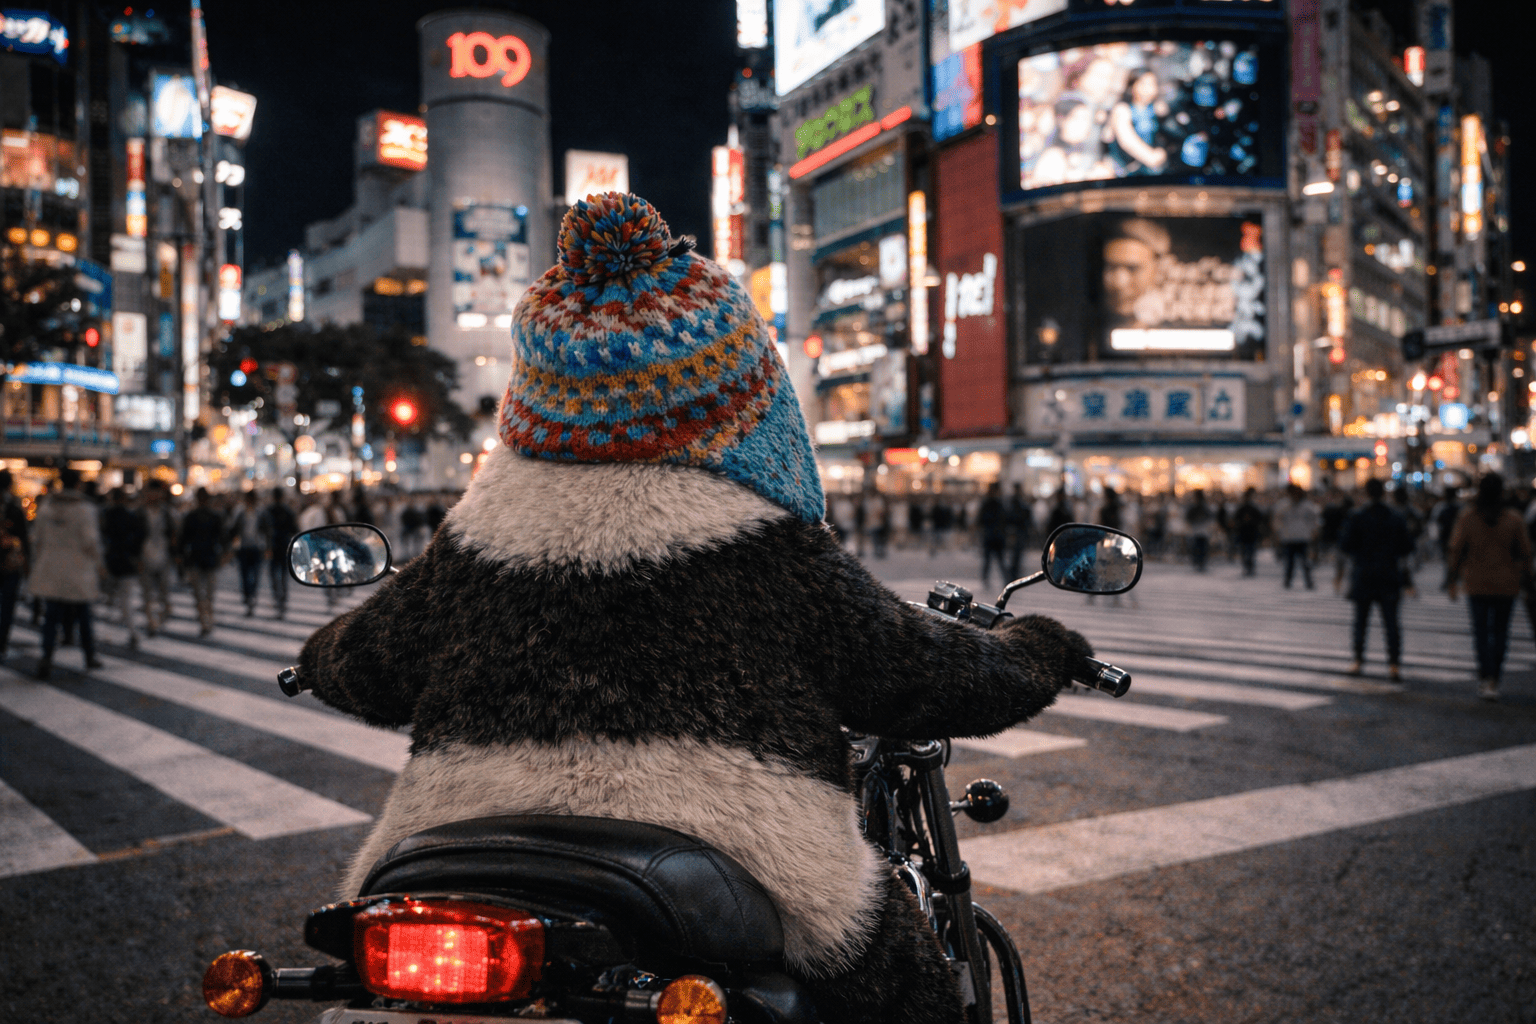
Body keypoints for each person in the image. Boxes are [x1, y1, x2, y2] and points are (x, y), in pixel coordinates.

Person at [294, 192, 1096, 1024]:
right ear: (745, 395)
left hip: (459, 847)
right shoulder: (767, 548)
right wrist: (1039, 650)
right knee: (913, 996)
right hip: (746, 857)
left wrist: (319, 655)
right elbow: (918, 674)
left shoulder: (472, 544)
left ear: (531, 396)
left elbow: (368, 665)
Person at [1447, 473, 1532, 701]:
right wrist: (1527, 580)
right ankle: (1495, 677)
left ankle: (1486, 678)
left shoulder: (1469, 518)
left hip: (1476, 583)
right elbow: (1525, 553)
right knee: (1501, 632)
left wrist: (1452, 580)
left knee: (1481, 633)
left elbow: (1456, 550)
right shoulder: (1513, 519)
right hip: (1507, 584)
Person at [29, 469, 104, 678]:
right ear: (78, 484)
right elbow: (91, 542)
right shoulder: (84, 509)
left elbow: (37, 538)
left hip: (51, 567)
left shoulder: (46, 507)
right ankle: (89, 655)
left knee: (51, 616)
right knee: (83, 614)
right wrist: (99, 563)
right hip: (78, 568)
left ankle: (46, 657)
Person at [1338, 478, 1413, 680]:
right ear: (1384, 493)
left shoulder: (1358, 516)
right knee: (1391, 622)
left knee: (1361, 621)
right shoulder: (1396, 516)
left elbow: (1345, 546)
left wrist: (1341, 575)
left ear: (1367, 494)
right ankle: (1394, 665)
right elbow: (1406, 548)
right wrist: (1408, 581)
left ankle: (1358, 661)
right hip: (1389, 574)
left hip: (1364, 574)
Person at [176, 487, 227, 636]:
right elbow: (222, 537)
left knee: (201, 593)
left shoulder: (192, 516)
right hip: (206, 558)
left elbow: (183, 539)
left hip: (198, 558)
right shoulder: (210, 516)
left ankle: (205, 620)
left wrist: (180, 556)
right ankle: (207, 619)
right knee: (206, 594)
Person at [101, 488, 147, 649]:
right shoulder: (131, 516)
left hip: (112, 561)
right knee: (125, 599)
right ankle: (132, 631)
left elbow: (103, 536)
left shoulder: (107, 515)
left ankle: (110, 629)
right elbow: (140, 536)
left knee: (111, 597)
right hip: (128, 562)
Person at [138, 480, 176, 635]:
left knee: (164, 592)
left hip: (164, 555)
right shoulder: (140, 513)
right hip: (144, 555)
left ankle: (161, 617)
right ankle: (151, 622)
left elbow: (173, 534)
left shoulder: (167, 513)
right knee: (147, 593)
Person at [0, 469, 31, 660]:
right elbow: (23, 537)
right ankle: (2, 642)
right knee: (7, 605)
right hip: (11, 563)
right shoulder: (14, 507)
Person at [259, 488, 298, 619]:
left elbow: (261, 528)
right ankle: (282, 600)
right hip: (285, 546)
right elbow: (295, 529)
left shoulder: (268, 511)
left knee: (273, 574)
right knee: (283, 575)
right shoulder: (288, 511)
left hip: (272, 546)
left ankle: (277, 597)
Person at [1273, 484, 1320, 589]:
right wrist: (1278, 532)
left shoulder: (1307, 505)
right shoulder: (1283, 504)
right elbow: (1277, 519)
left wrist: (1314, 530)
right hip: (1289, 537)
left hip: (1303, 537)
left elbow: (1314, 519)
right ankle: (1288, 580)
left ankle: (1308, 581)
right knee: (1289, 562)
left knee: (1306, 561)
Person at [230, 491, 266, 617]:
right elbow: (233, 529)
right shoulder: (240, 511)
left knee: (255, 575)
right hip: (244, 547)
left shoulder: (260, 511)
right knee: (244, 575)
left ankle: (252, 596)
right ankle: (247, 595)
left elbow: (267, 528)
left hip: (257, 547)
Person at [978, 483, 1008, 587]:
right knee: (992, 560)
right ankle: (987, 579)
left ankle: (1001, 578)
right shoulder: (994, 503)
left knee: (997, 560)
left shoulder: (996, 503)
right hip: (992, 536)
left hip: (994, 536)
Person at [1232, 488, 1265, 577]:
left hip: (1251, 533)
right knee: (1245, 552)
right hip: (1243, 533)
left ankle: (1250, 567)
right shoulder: (1241, 508)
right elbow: (1236, 519)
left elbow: (1259, 519)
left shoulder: (1253, 508)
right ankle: (1247, 567)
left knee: (1250, 552)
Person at [1006, 483, 1034, 579]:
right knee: (1014, 554)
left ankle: (1014, 572)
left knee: (1017, 554)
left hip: (1019, 531)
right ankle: (1013, 572)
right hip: (1016, 531)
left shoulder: (1018, 502)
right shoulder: (1015, 501)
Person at [1185, 489, 1213, 571]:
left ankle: (1200, 563)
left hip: (1200, 531)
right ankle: (1200, 563)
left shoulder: (1200, 506)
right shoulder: (1199, 506)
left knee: (1199, 548)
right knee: (1200, 548)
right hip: (1200, 531)